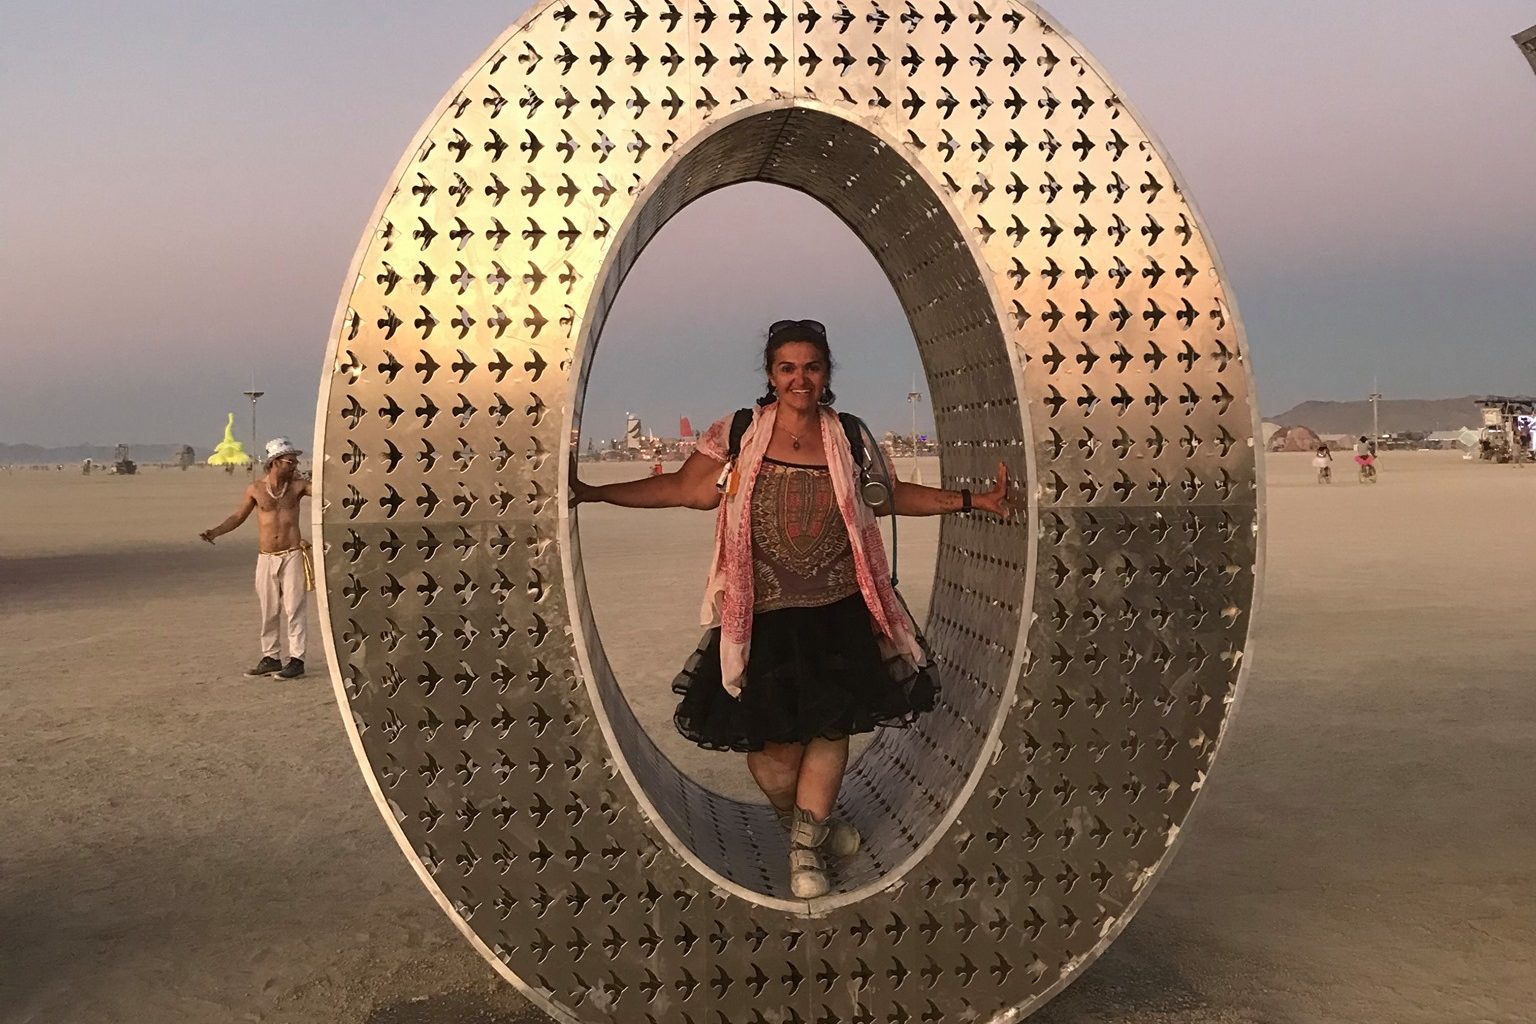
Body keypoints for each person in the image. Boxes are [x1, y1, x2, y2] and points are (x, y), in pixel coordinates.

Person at [570, 319, 1011, 898]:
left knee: (830, 728)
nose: (800, 379)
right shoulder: (739, 432)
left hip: (838, 611)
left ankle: (805, 853)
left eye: (811, 367)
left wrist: (973, 500)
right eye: (788, 368)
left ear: (826, 373)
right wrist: (595, 492)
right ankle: (806, 825)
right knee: (772, 756)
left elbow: (889, 497)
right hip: (763, 618)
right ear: (771, 374)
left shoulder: (848, 436)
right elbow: (681, 489)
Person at [200, 438, 312, 679]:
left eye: (295, 461)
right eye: (290, 461)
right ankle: (271, 657)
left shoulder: (298, 487)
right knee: (269, 609)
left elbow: (326, 492)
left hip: (292, 554)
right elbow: (238, 516)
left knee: (295, 608)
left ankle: (297, 659)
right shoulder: (256, 489)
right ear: (275, 462)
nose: (295, 464)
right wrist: (215, 531)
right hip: (266, 556)